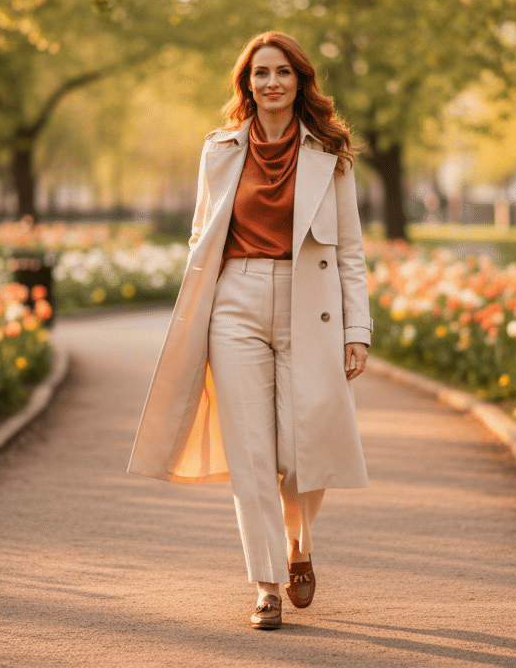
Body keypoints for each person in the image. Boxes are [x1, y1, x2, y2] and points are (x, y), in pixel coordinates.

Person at [128, 31, 372, 630]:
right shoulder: (219, 150)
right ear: (247, 84)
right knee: (252, 452)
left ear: (299, 81)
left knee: (299, 448)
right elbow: (199, 233)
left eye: (282, 72)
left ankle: (299, 545)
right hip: (234, 303)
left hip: (306, 303)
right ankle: (265, 583)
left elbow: (350, 251)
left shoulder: (330, 154)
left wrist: (357, 327)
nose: (271, 83)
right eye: (260, 73)